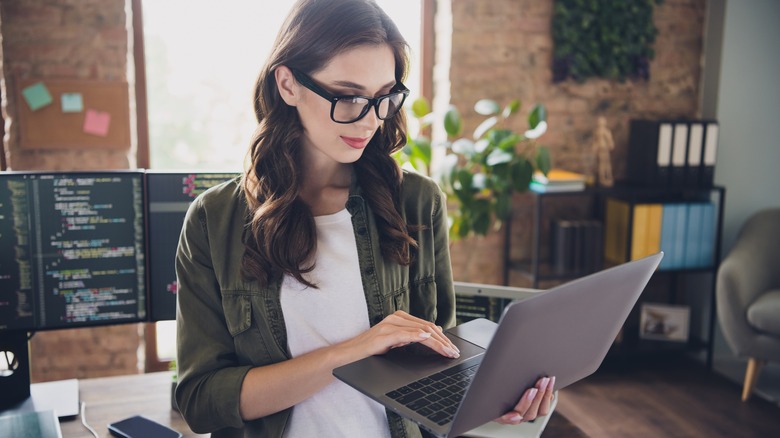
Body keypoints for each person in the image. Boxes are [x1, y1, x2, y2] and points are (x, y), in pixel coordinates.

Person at [174, 0, 554, 436]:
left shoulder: (417, 202)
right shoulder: (214, 220)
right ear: (288, 84)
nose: (370, 120)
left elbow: (445, 363)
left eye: (384, 98)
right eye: (348, 96)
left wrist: (492, 402)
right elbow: (202, 401)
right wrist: (353, 352)